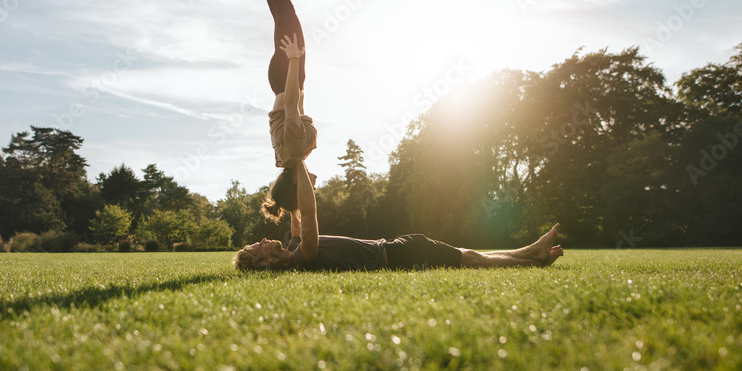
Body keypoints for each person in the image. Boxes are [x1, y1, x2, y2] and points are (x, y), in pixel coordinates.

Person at [233, 161, 564, 271]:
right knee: (471, 259)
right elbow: (309, 209)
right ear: (265, 264)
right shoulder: (304, 256)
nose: (261, 240)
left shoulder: (292, 243)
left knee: (467, 255)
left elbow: (295, 205)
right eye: (256, 248)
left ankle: (530, 253)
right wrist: (300, 160)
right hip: (397, 255)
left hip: (397, 245)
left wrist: (297, 159)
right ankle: (531, 260)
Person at [260, 0, 318, 223]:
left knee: (284, 7)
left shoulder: (294, 150)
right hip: (279, 81)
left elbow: (293, 105)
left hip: (287, 75)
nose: (314, 185)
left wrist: (295, 60)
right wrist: (294, 215)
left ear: (297, 181)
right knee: (280, 10)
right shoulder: (284, 160)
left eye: (309, 188)